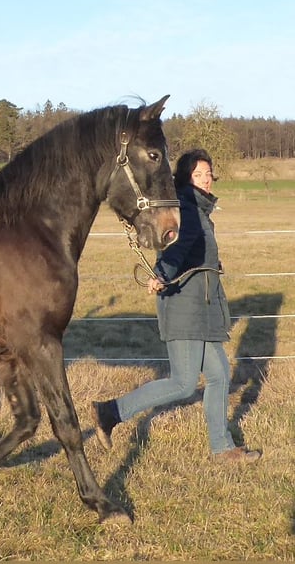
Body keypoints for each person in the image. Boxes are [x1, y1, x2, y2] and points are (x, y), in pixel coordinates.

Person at [91, 148, 261, 463]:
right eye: (199, 174)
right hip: (186, 307)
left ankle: (222, 448)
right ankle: (110, 412)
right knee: (183, 383)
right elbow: (176, 250)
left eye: (209, 173)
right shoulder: (189, 208)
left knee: (219, 374)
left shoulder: (199, 209)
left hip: (202, 306)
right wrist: (161, 274)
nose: (207, 179)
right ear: (186, 178)